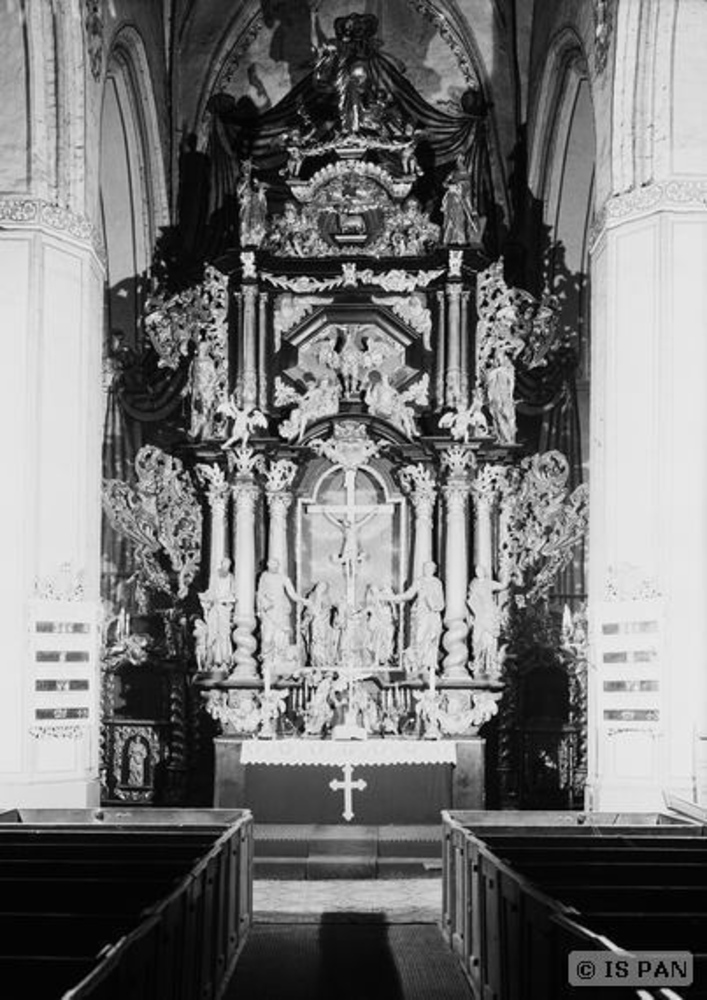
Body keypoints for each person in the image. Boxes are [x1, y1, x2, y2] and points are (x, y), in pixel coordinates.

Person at [385, 562, 445, 674]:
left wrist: (434, 605)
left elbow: (441, 602)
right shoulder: (419, 581)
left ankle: (427, 666)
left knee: (431, 640)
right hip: (421, 615)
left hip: (433, 615)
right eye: (425, 567)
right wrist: (390, 598)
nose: (427, 569)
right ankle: (417, 665)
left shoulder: (437, 583)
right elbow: (408, 595)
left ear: (434, 569)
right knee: (419, 639)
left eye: (430, 568)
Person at [256, 558, 306, 661]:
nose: (273, 568)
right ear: (268, 565)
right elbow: (260, 594)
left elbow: (293, 594)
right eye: (271, 565)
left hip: (281, 608)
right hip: (269, 609)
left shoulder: (283, 578)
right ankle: (267, 661)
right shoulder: (264, 577)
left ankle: (279, 661)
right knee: (267, 637)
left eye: (275, 566)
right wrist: (260, 608)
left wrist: (303, 600)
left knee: (281, 637)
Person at [467, 565, 506, 677]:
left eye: (480, 570)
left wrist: (506, 568)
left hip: (489, 614)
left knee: (490, 641)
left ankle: (489, 665)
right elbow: (470, 599)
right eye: (476, 571)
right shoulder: (474, 584)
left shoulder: (489, 583)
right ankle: (477, 663)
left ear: (484, 572)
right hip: (479, 615)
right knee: (476, 640)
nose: (478, 572)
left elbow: (503, 586)